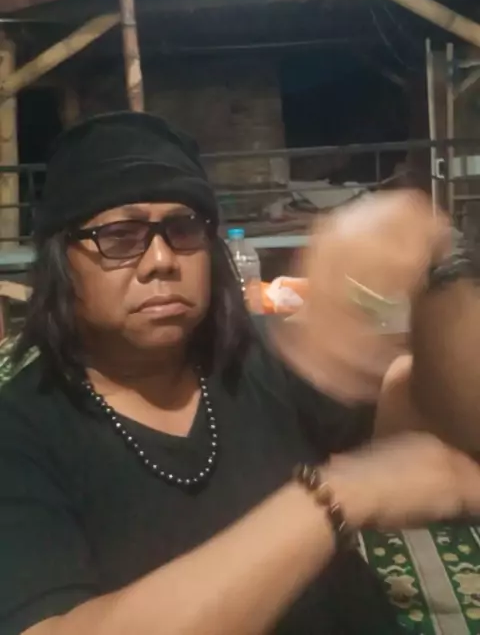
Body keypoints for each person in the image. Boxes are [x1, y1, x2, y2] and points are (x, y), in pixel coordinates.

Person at [1, 111, 479, 635]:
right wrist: (335, 497)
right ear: (62, 262)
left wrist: (439, 267)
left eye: (183, 229)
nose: (161, 260)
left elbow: (444, 420)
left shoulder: (260, 359)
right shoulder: (21, 432)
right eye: (120, 236)